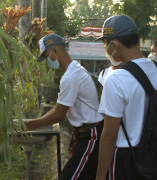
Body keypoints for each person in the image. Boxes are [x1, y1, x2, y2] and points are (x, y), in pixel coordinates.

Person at [17, 33, 104, 180]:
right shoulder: (75, 70)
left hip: (91, 136)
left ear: (55, 51)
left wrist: (29, 124)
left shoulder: (71, 77)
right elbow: (59, 107)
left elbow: (59, 115)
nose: (48, 61)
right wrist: (37, 122)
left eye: (46, 56)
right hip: (87, 133)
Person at [95, 15, 157, 180]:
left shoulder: (116, 78)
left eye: (105, 43)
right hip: (155, 155)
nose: (105, 49)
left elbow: (109, 135)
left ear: (114, 44)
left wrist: (100, 176)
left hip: (126, 159)